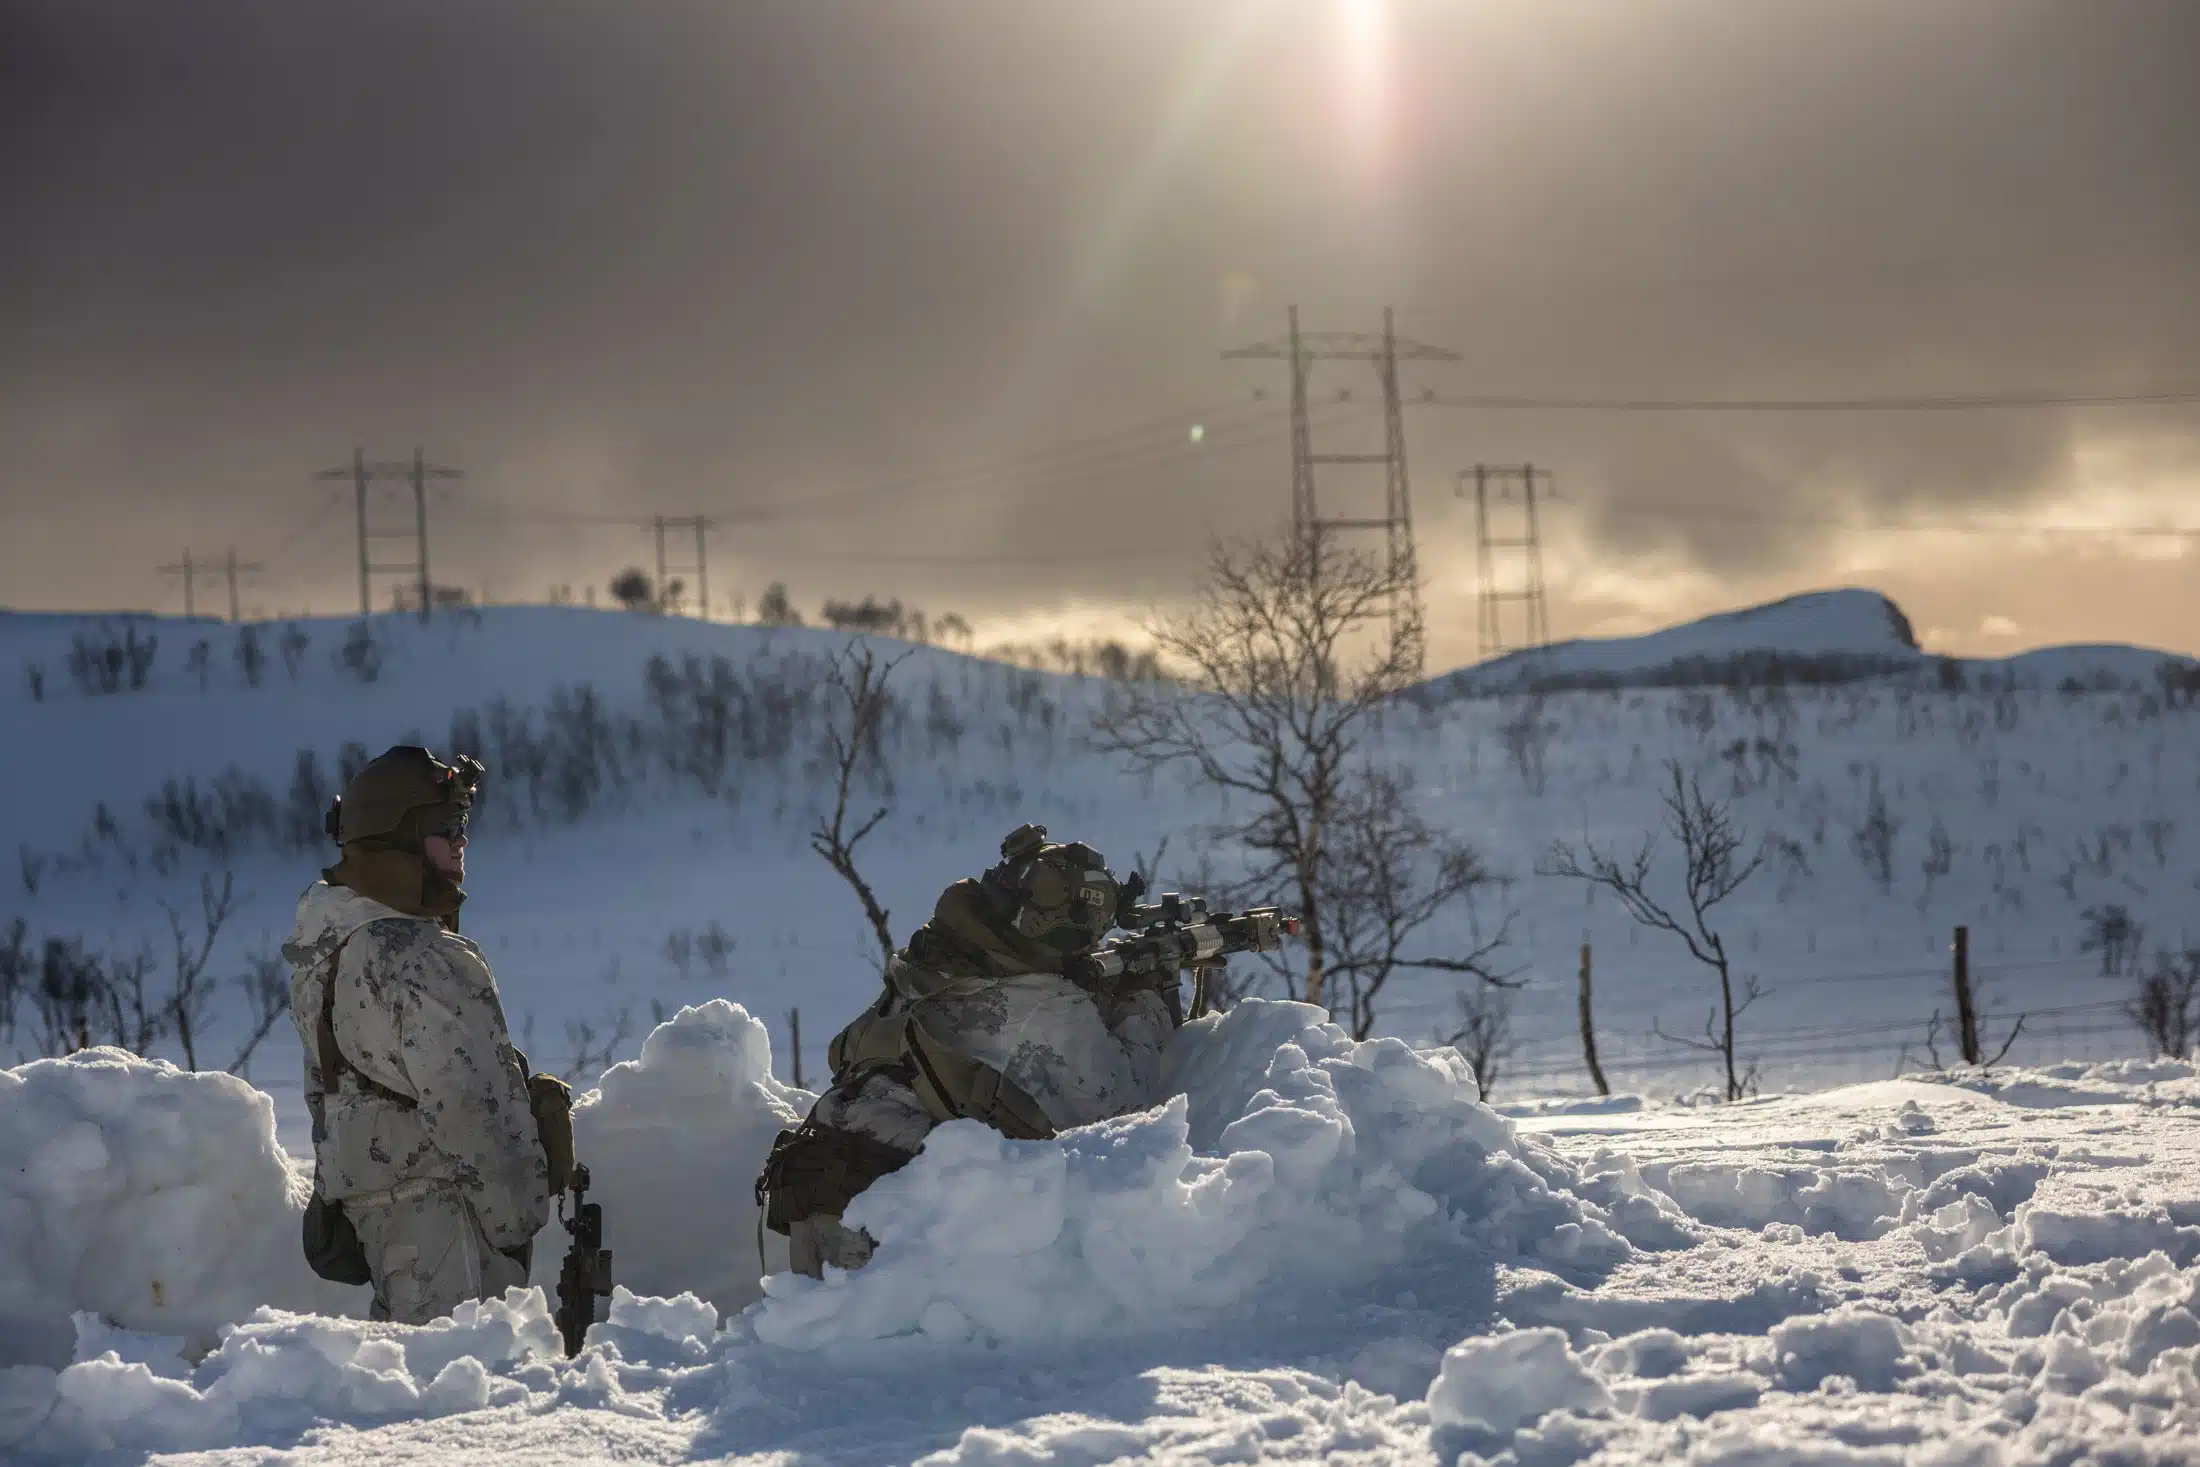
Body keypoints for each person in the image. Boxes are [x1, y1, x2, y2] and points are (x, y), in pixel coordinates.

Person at [758, 823, 1174, 1277]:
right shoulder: (1044, 1005)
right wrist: (1145, 1000)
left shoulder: (925, 966)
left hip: (810, 1194)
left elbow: (843, 1054)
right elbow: (1123, 1110)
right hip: (895, 1229)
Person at [285, 745, 568, 1324]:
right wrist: (521, 1215)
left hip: (376, 1213)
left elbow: (323, 1093)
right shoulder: (428, 960)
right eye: (445, 826)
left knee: (409, 1386)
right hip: (450, 1218)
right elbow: (472, 1108)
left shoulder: (325, 950)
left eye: (462, 824)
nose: (461, 840)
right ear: (399, 838)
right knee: (464, 1390)